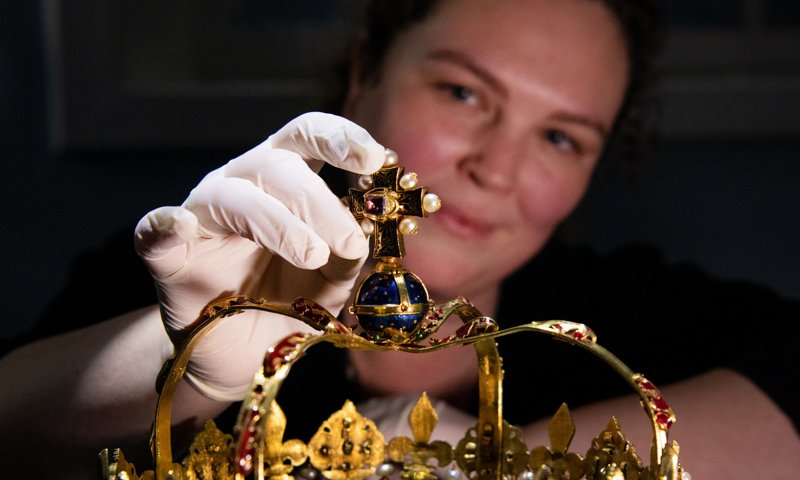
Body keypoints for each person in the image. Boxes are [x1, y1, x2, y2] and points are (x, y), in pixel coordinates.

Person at [1, 0, 798, 478]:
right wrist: (180, 356)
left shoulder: (623, 311)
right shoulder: (188, 264)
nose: (495, 166)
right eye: (462, 92)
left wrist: (502, 464)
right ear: (364, 71)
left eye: (561, 138)